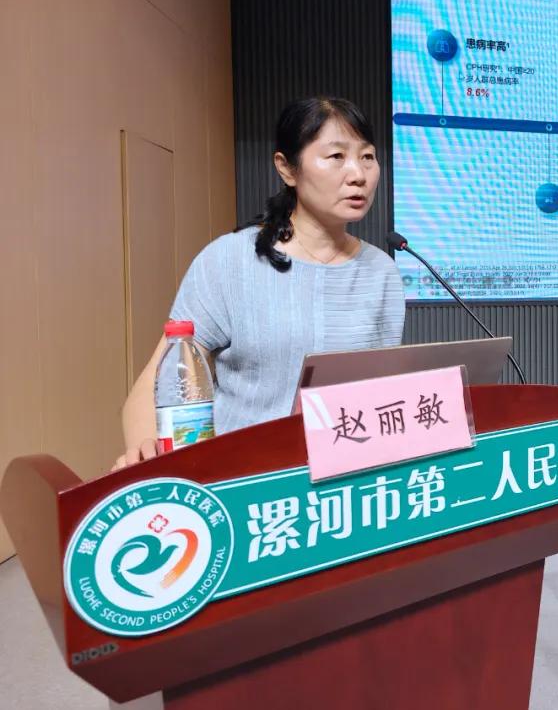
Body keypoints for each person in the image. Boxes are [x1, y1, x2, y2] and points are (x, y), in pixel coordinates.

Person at [114, 96, 404, 469]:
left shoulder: (382, 271)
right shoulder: (229, 260)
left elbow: (380, 395)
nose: (358, 174)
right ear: (287, 169)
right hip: (245, 479)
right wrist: (146, 456)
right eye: (336, 156)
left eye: (367, 157)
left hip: (348, 480)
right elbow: (156, 384)